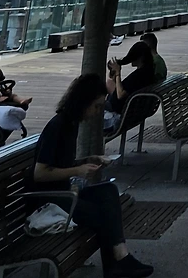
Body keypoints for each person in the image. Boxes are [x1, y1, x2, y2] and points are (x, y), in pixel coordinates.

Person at [31, 74, 152, 278]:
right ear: (83, 102)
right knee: (101, 213)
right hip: (48, 199)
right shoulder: (58, 125)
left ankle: (119, 260)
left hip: (62, 192)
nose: (98, 112)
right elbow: (40, 173)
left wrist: (89, 159)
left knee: (109, 191)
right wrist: (77, 171)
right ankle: (119, 262)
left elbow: (61, 163)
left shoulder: (70, 124)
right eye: (96, 106)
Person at [105, 44, 158, 137]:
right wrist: (115, 76)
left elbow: (120, 95)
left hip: (117, 109)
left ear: (140, 57)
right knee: (108, 83)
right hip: (132, 112)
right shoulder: (148, 73)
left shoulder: (138, 76)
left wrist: (118, 74)